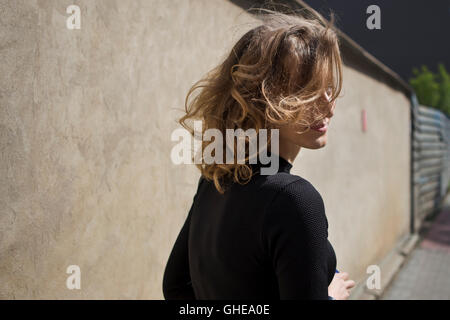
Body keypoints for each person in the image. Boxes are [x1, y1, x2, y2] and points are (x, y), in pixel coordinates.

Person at [163, 9, 355, 300]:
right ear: (263, 98)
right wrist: (331, 297)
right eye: (309, 90)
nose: (329, 107)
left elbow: (176, 289)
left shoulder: (215, 182)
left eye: (329, 88)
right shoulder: (295, 199)